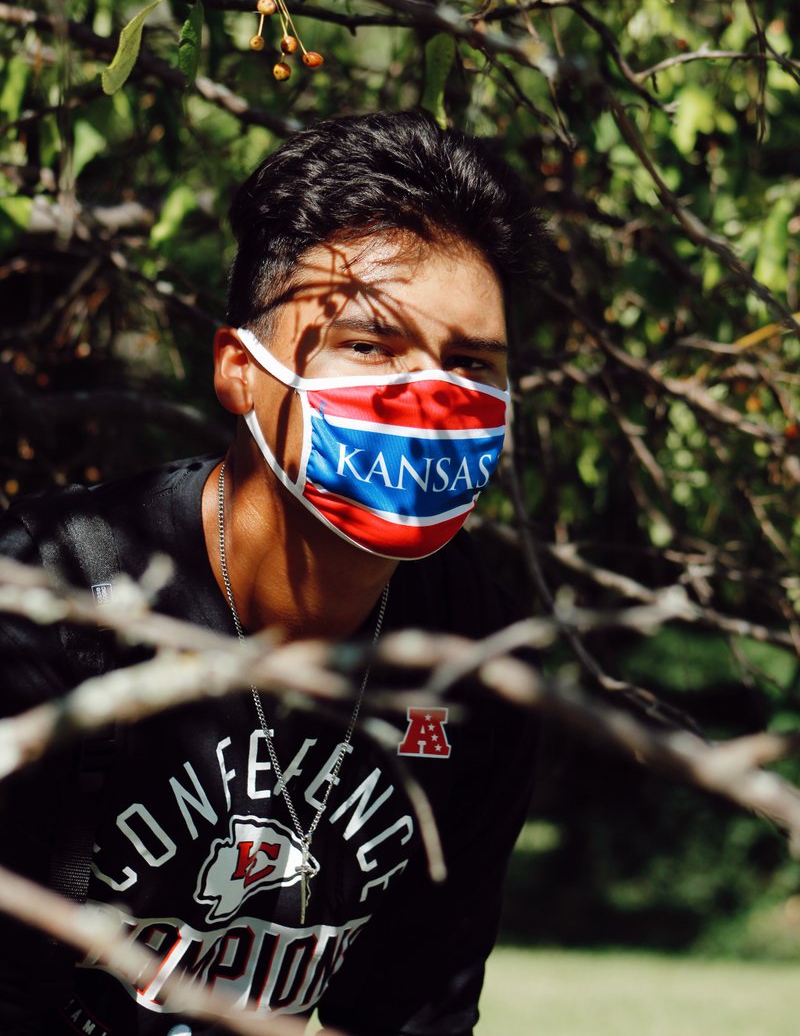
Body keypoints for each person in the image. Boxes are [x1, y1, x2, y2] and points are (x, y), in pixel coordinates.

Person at [0, 111, 548, 1035]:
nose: (427, 395)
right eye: (371, 344)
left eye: (470, 364)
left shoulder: (478, 659)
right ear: (237, 371)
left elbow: (420, 1008)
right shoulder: (49, 596)